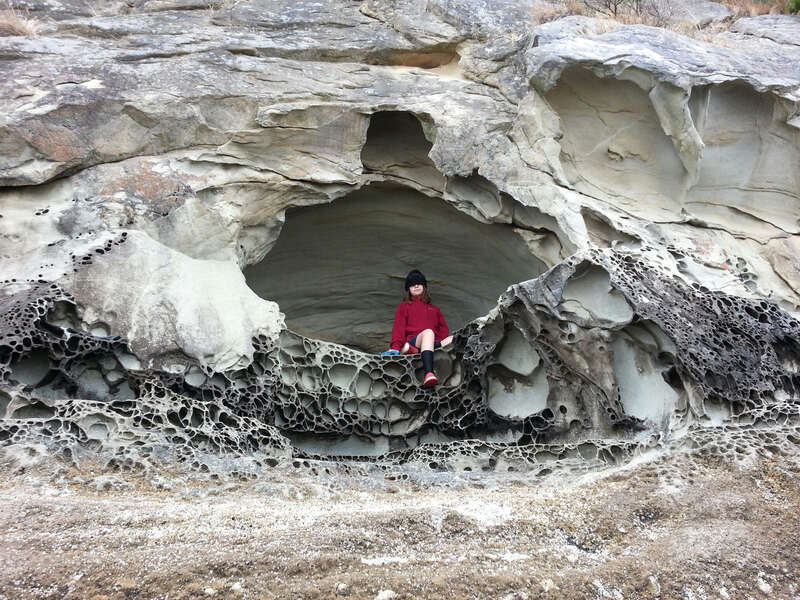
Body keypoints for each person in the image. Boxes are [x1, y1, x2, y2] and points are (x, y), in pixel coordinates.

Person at [383, 269, 453, 387]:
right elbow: (398, 328)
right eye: (412, 284)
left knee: (454, 338)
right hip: (414, 341)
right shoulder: (404, 306)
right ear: (408, 289)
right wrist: (394, 347)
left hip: (430, 343)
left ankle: (416, 351)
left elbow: (444, 330)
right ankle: (429, 373)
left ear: (424, 286)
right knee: (428, 333)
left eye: (419, 283)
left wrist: (438, 343)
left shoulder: (434, 309)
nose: (415, 285)